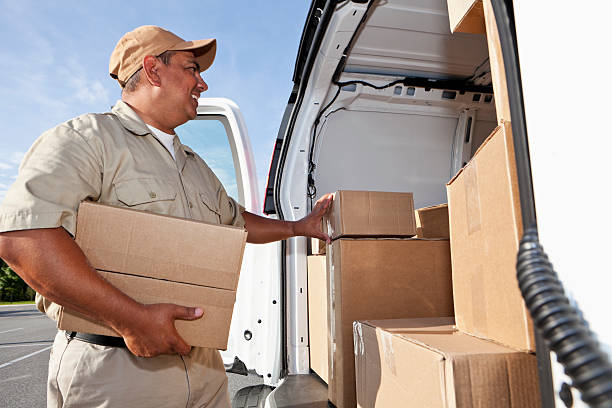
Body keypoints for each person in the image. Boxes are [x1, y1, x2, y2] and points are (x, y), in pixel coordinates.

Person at [0, 25, 331, 408]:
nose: (202, 84)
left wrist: (297, 227)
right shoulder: (86, 140)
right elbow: (23, 241)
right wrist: (132, 320)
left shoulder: (194, 165)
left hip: (204, 369)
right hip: (118, 370)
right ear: (153, 70)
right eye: (192, 68)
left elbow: (235, 222)